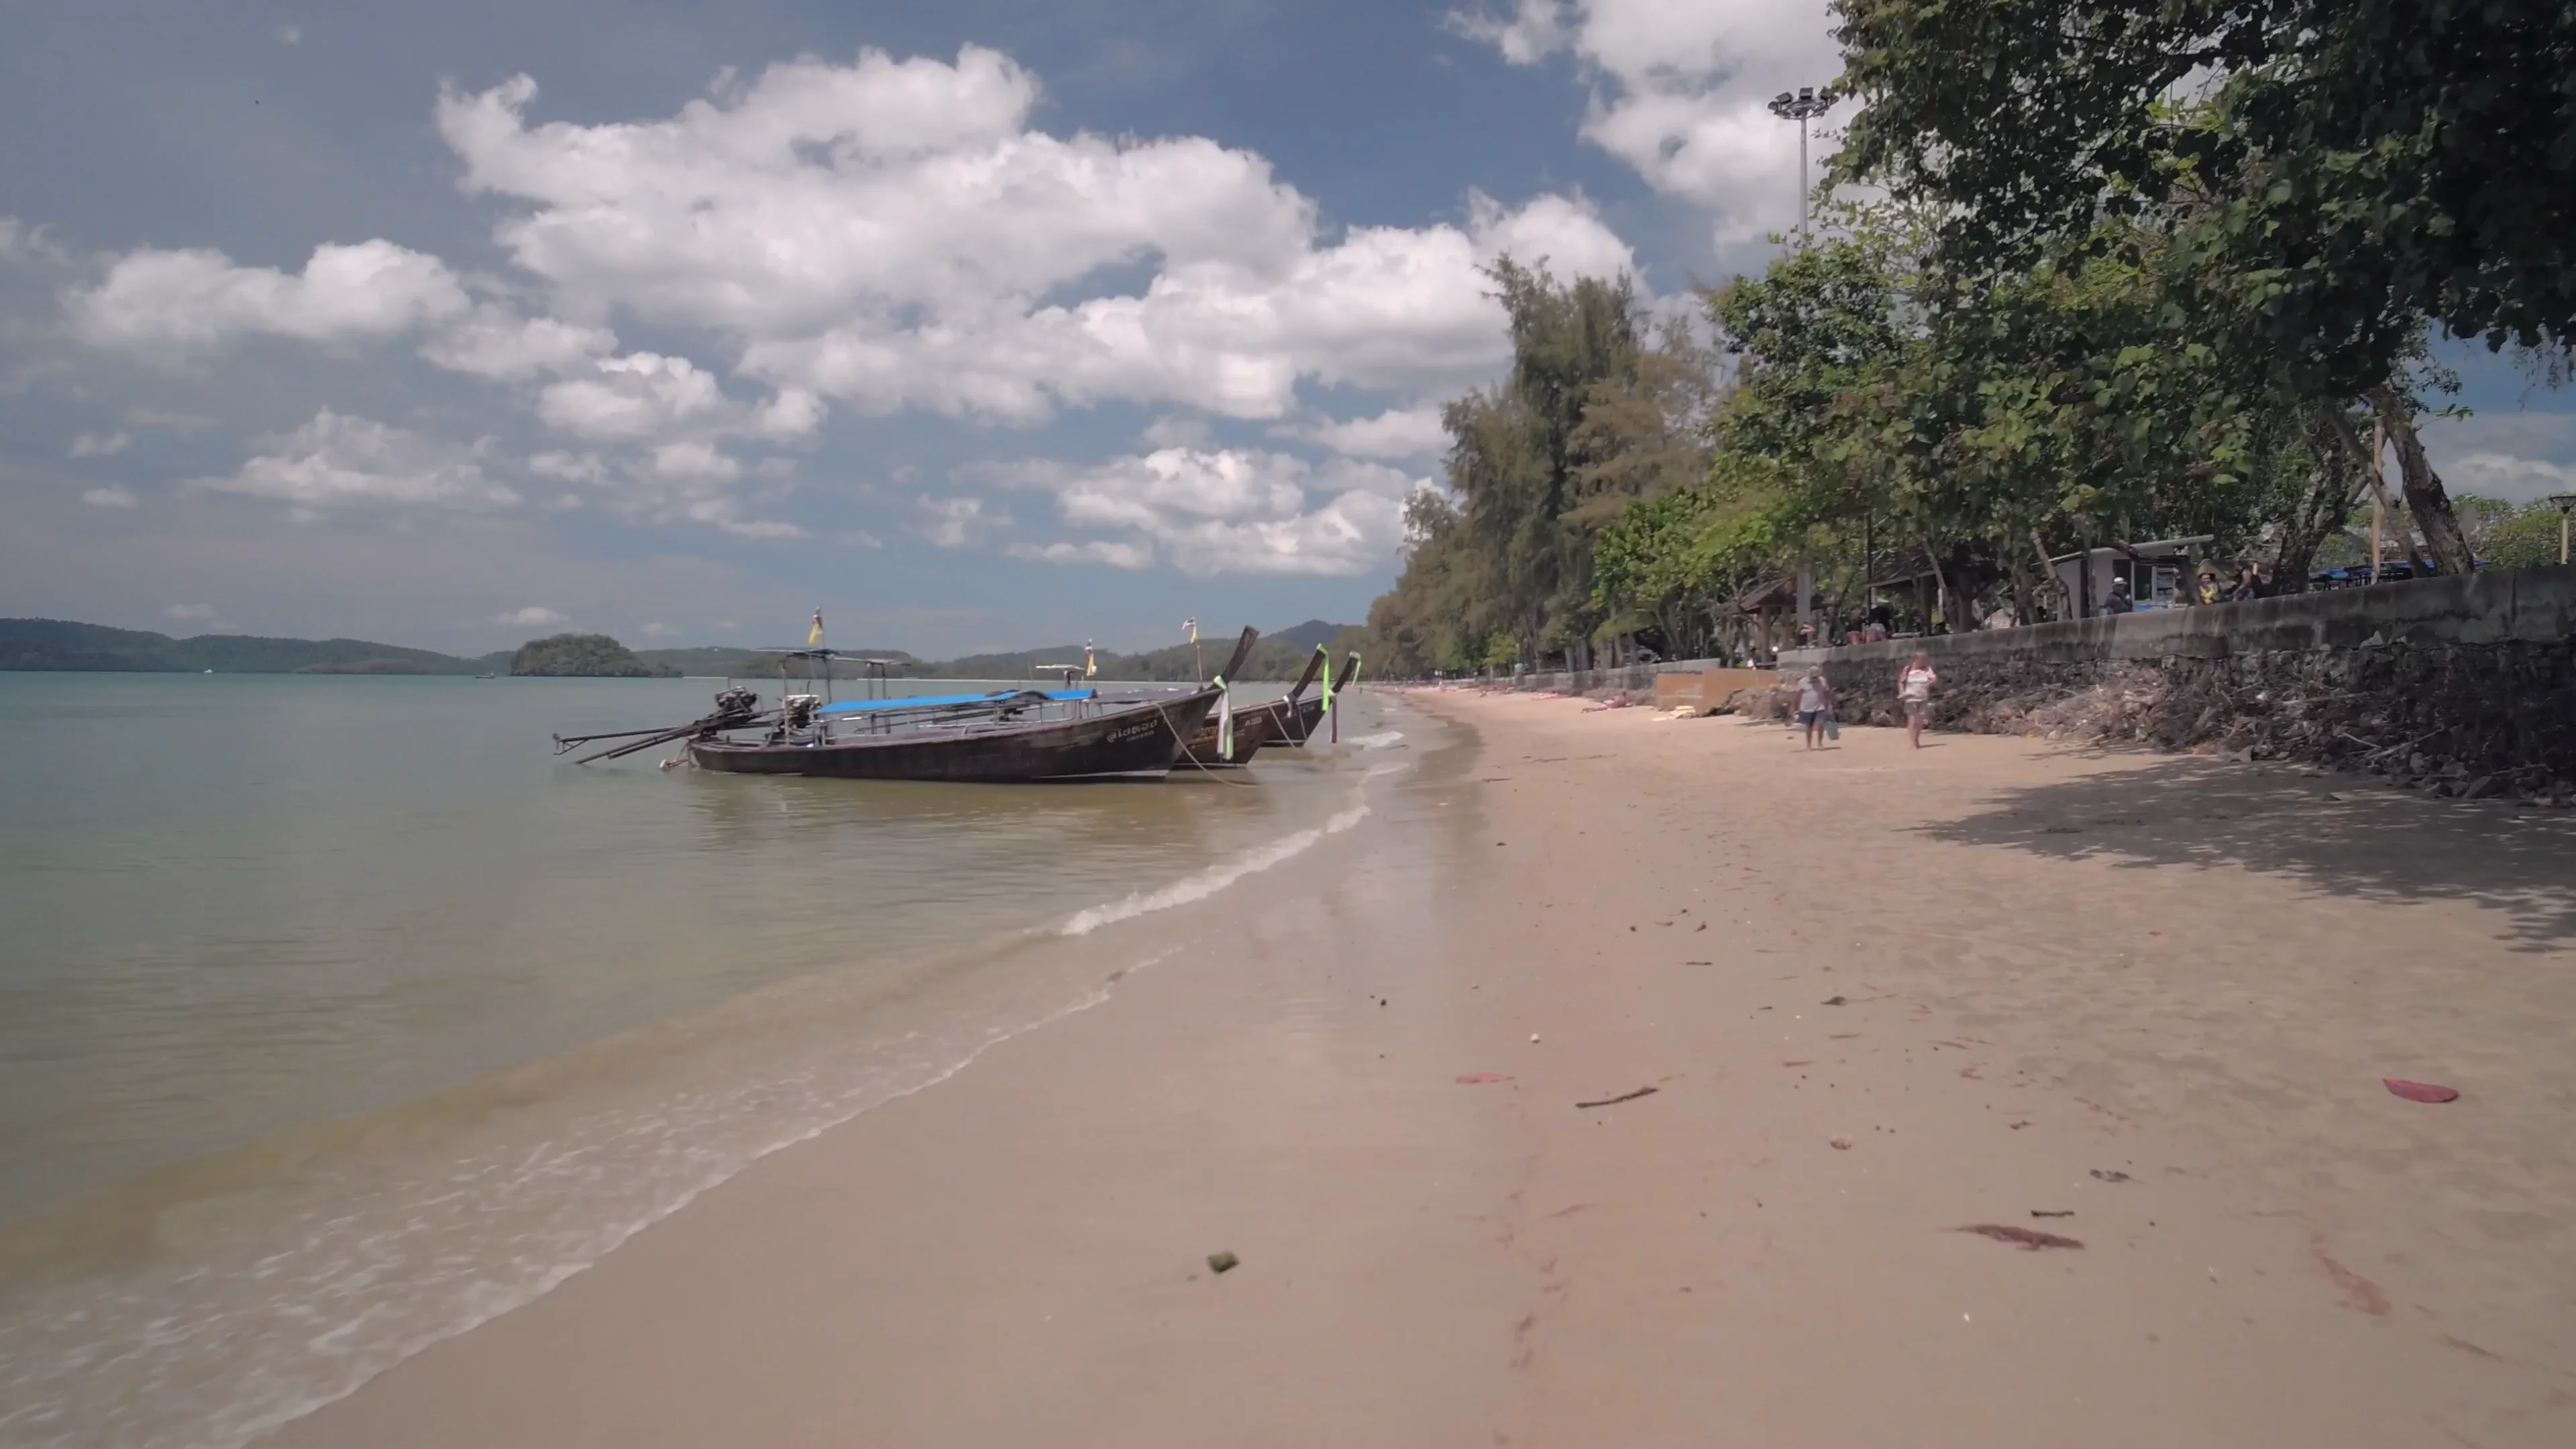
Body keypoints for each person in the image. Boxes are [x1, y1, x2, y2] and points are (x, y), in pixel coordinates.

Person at [1897, 651, 1937, 749]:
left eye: (1925, 659)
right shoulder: (1908, 669)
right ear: (1916, 659)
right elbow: (1901, 682)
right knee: (1913, 720)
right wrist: (1902, 693)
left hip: (1923, 698)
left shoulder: (1927, 669)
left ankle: (1916, 739)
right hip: (1911, 698)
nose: (1924, 661)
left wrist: (1929, 683)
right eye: (1922, 659)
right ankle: (1913, 742)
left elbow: (1934, 679)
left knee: (1920, 721)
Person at [1794, 666, 1837, 751]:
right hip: (1806, 708)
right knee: (1809, 726)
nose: (1815, 679)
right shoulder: (1802, 682)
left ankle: (1820, 744)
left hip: (1820, 706)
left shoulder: (1822, 681)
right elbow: (1797, 695)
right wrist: (1795, 707)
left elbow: (1827, 693)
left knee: (1820, 724)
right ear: (1809, 675)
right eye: (1813, 677)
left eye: (1816, 677)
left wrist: (1829, 704)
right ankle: (1809, 745)